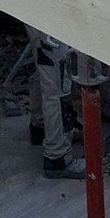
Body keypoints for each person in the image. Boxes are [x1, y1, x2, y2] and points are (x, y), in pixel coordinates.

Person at [25, 25, 83, 179]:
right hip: (51, 19)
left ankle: (41, 126)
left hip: (36, 13)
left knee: (45, 71)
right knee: (58, 86)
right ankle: (58, 156)